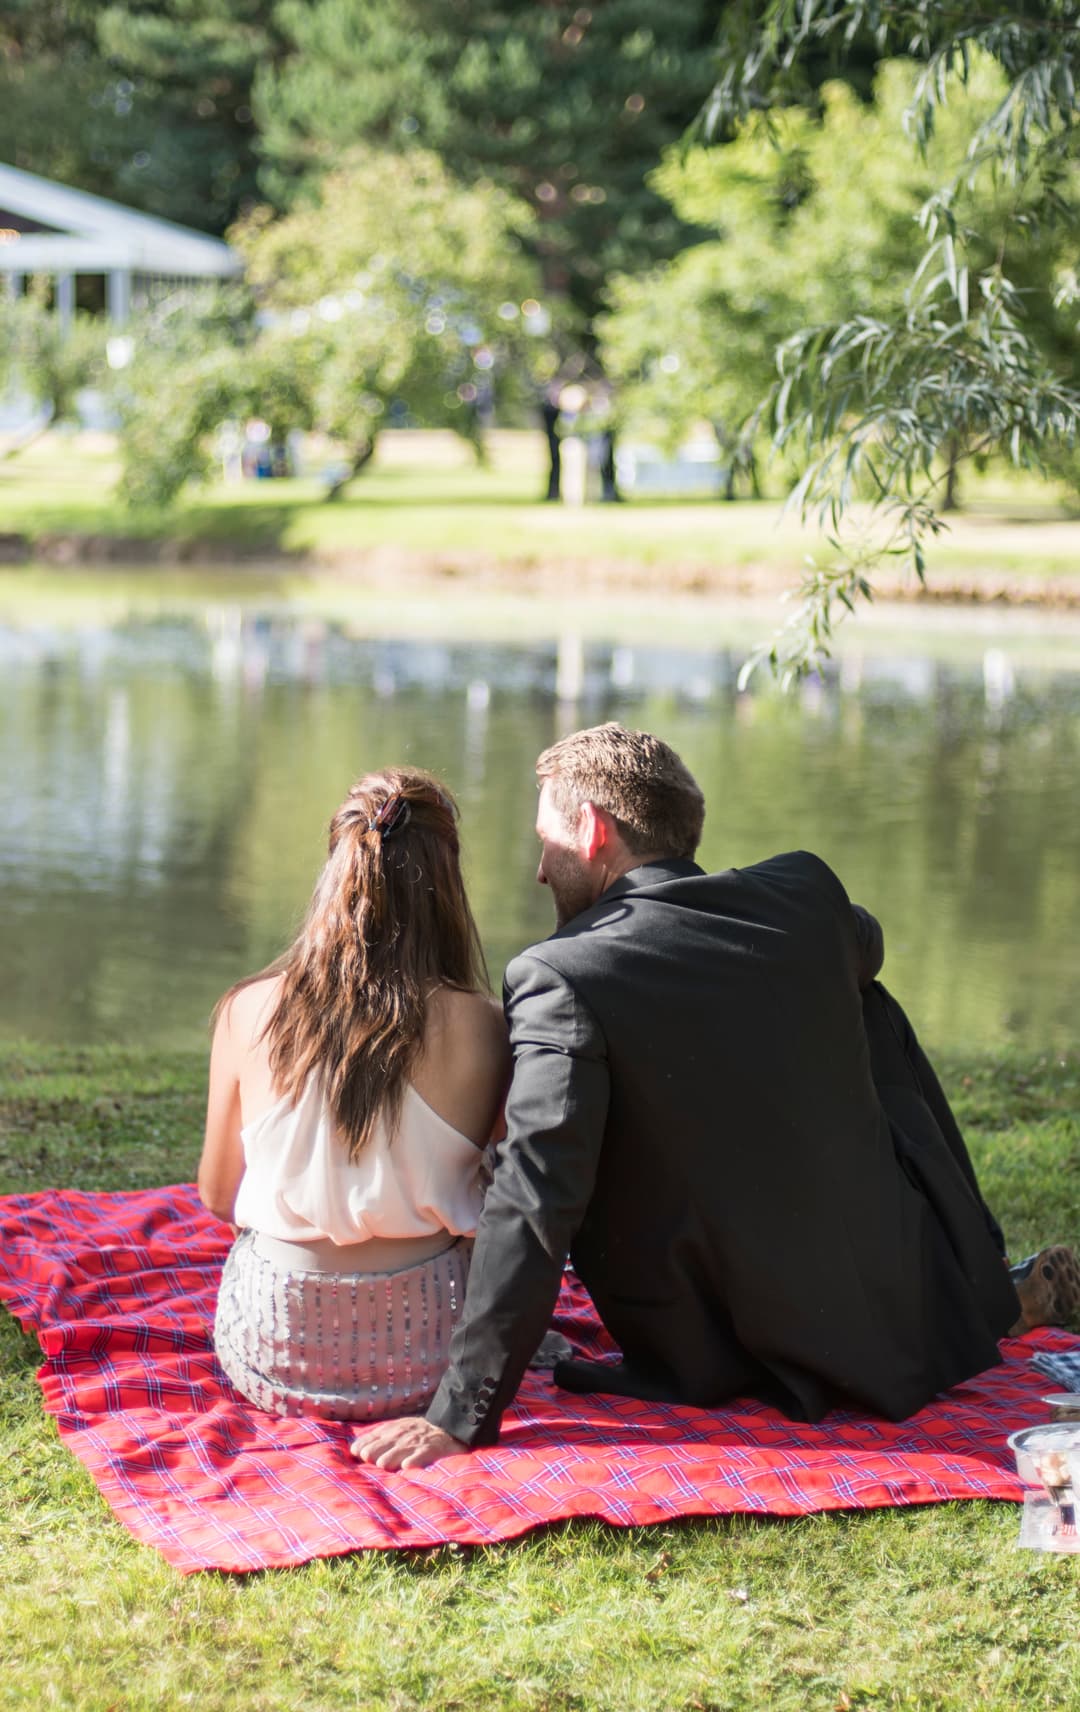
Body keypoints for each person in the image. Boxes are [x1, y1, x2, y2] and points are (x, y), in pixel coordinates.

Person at [353, 723, 1079, 1471]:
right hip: (887, 1308)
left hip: (714, 1342)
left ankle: (970, 1291)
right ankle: (977, 1281)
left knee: (843, 1005)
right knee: (862, 995)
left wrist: (461, 1411)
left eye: (548, 841)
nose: (541, 870)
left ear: (592, 830)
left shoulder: (559, 975)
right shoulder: (804, 895)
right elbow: (865, 941)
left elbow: (536, 1193)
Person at [198, 768, 510, 1422]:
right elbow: (507, 1201)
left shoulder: (247, 1010)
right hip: (429, 1359)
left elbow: (218, 1196)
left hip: (272, 1353)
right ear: (446, 884)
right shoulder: (484, 1027)